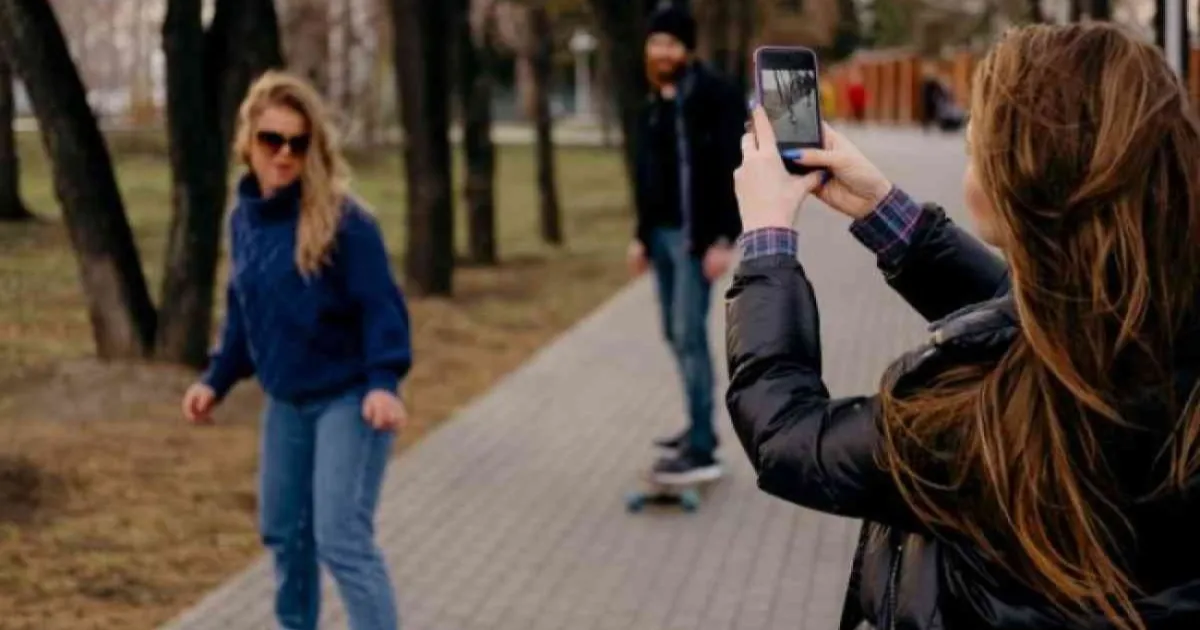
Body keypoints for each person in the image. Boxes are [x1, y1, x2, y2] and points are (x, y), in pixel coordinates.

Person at [727, 23, 1200, 630]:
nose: (968, 170)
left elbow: (789, 438)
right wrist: (882, 212)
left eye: (976, 154)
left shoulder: (985, 421)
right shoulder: (1154, 326)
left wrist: (767, 240)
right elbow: (1046, 317)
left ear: (1023, 185)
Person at [180, 71, 411, 630]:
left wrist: (383, 381)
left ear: (313, 148)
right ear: (248, 142)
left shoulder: (345, 221)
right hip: (286, 401)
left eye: (297, 142)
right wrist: (216, 377)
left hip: (348, 399)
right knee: (284, 533)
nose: (284, 155)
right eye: (271, 140)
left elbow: (382, 308)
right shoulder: (245, 221)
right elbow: (243, 313)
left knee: (340, 537)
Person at [627, 4, 746, 483]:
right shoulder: (656, 100)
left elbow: (734, 169)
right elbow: (649, 177)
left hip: (697, 240)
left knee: (690, 337)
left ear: (688, 49)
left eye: (671, 44)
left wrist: (724, 238)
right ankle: (698, 429)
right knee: (675, 335)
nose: (662, 52)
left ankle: (702, 450)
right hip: (661, 238)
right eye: (656, 43)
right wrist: (640, 235)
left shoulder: (715, 95)